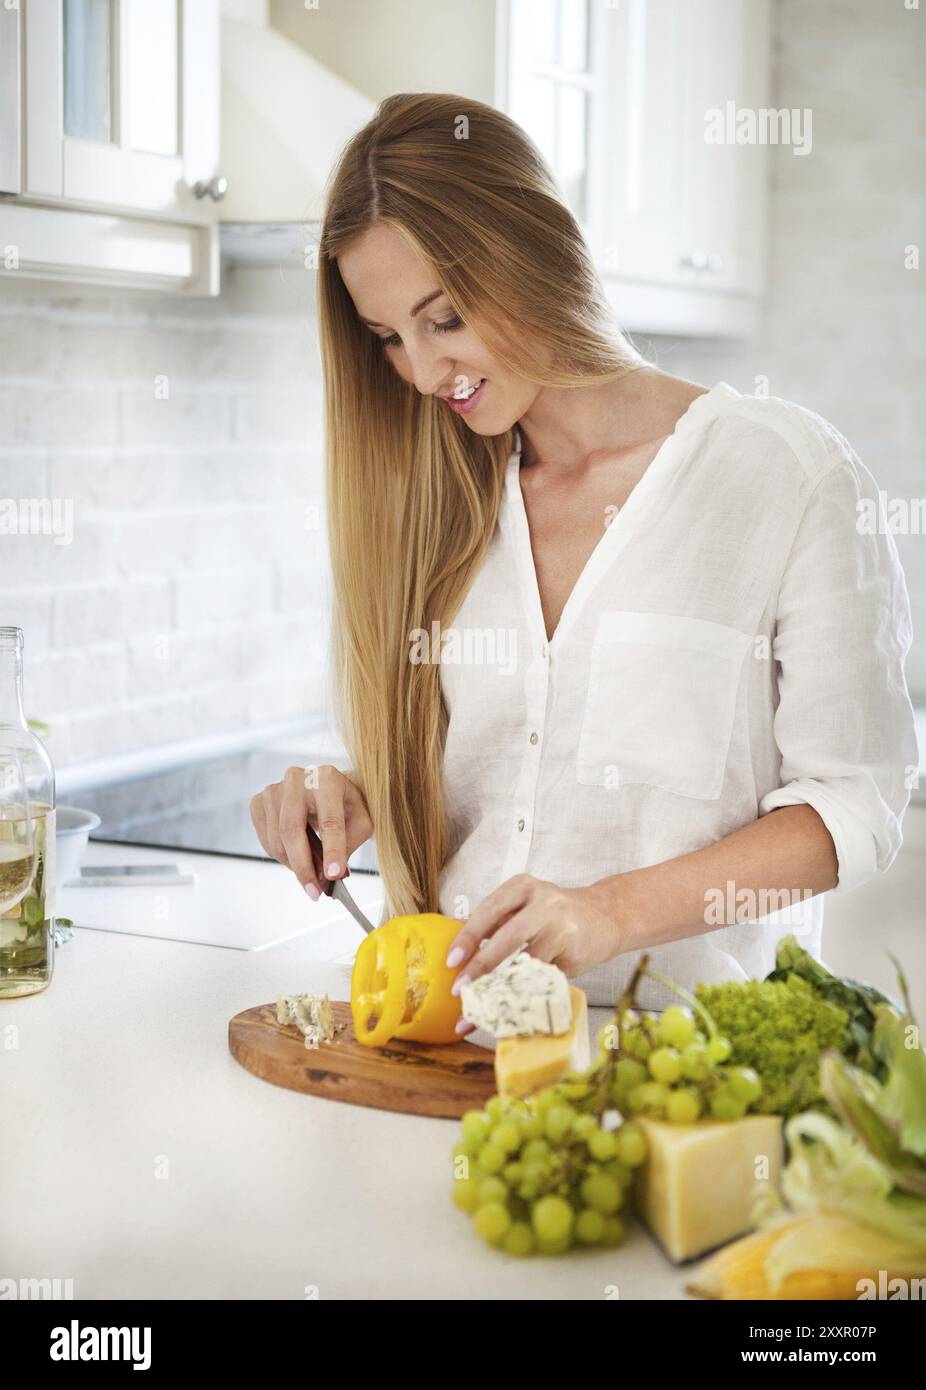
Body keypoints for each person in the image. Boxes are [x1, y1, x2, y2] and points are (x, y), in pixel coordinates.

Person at [250, 93, 917, 1014]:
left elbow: (856, 807)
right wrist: (360, 795)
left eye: (443, 318)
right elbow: (488, 771)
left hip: (689, 1075)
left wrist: (608, 913)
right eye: (389, 339)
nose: (424, 368)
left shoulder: (784, 476)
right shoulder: (441, 505)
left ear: (533, 249)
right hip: (459, 1057)